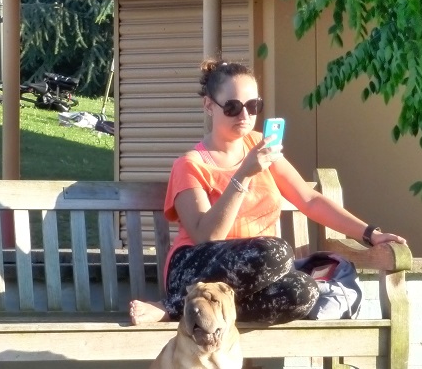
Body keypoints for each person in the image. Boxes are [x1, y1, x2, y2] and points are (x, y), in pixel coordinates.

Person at [128, 58, 406, 326]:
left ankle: (201, 313)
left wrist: (371, 234)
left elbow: (309, 200)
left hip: (254, 277)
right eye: (233, 107)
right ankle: (173, 306)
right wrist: (243, 174)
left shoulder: (261, 145)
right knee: (276, 250)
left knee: (303, 292)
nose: (245, 116)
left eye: (253, 106)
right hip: (195, 273)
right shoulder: (190, 164)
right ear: (208, 106)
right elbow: (206, 237)